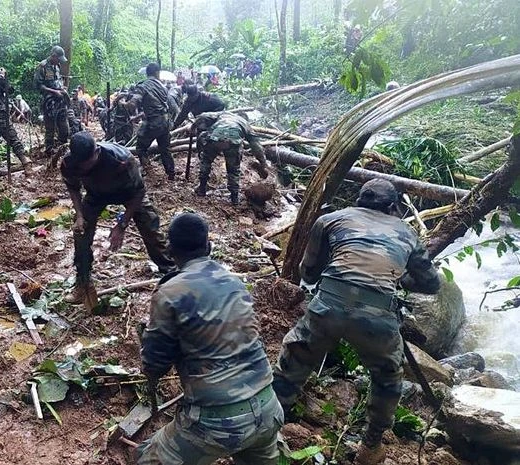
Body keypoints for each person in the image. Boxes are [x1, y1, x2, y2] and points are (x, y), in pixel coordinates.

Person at [272, 179, 442, 464]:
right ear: (393, 207)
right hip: (377, 319)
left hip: (327, 308)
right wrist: (399, 278)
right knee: (387, 377)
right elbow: (432, 284)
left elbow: (309, 273)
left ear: (358, 201)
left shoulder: (330, 220)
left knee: (293, 363)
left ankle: (268, 430)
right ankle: (370, 447)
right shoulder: (407, 233)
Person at [138, 212, 283, 465]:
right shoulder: (235, 283)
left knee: (146, 458)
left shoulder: (170, 292)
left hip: (217, 423)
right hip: (269, 409)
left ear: (170, 251)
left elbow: (155, 362)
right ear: (209, 246)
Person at [60, 131, 175, 308]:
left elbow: (139, 192)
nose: (84, 169)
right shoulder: (69, 163)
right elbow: (73, 188)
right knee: (81, 233)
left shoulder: (122, 160)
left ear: (97, 152)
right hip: (95, 195)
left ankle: (172, 276)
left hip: (130, 194)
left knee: (150, 228)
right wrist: (80, 216)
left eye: (88, 164)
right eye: (81, 166)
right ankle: (82, 282)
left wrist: (121, 225)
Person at [192, 112, 269, 205]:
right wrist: (263, 163)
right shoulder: (245, 124)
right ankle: (234, 198)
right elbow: (256, 146)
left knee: (206, 161)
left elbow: (203, 115)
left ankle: (201, 189)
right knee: (233, 170)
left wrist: (193, 127)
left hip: (215, 137)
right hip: (232, 142)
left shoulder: (224, 114)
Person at [124, 62, 175, 179]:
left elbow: (132, 105)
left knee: (141, 148)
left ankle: (148, 172)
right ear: (157, 73)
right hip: (166, 122)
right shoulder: (163, 86)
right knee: (165, 149)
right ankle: (171, 174)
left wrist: (123, 104)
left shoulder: (143, 86)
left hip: (153, 123)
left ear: (147, 73)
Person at [34, 45, 70, 158]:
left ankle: (62, 149)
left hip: (60, 102)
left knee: (64, 128)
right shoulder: (42, 66)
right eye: (58, 59)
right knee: (50, 129)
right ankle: (49, 152)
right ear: (53, 56)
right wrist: (54, 92)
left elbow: (58, 81)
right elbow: (38, 86)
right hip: (49, 102)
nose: (59, 61)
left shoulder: (57, 66)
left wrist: (62, 88)